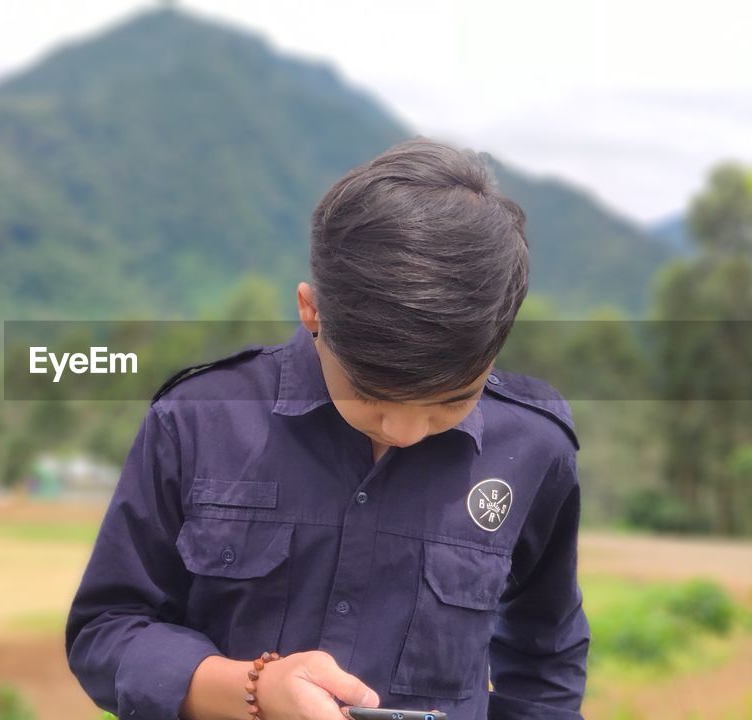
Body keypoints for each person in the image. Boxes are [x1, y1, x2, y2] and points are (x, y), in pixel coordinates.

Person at [64, 138, 589, 720]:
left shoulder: (536, 448)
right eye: (370, 395)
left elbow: (547, 656)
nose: (407, 430)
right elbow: (107, 630)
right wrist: (253, 689)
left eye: (451, 401)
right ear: (312, 311)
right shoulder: (198, 420)